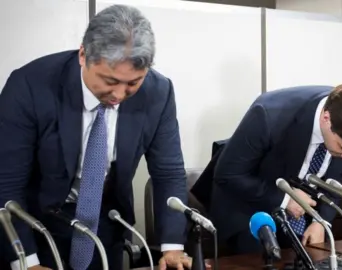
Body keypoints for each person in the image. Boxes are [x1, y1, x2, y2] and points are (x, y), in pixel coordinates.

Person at [0, 5, 198, 270]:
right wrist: (27, 262)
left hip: (106, 222)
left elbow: (168, 172)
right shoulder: (30, 85)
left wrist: (172, 247)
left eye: (132, 83)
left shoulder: (158, 92)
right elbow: (7, 182)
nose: (118, 95)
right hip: (36, 223)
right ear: (84, 55)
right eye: (109, 80)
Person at [209, 83, 342, 255]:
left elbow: (337, 181)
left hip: (302, 216)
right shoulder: (268, 115)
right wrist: (285, 200)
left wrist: (322, 221)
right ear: (327, 119)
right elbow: (228, 175)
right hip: (249, 210)